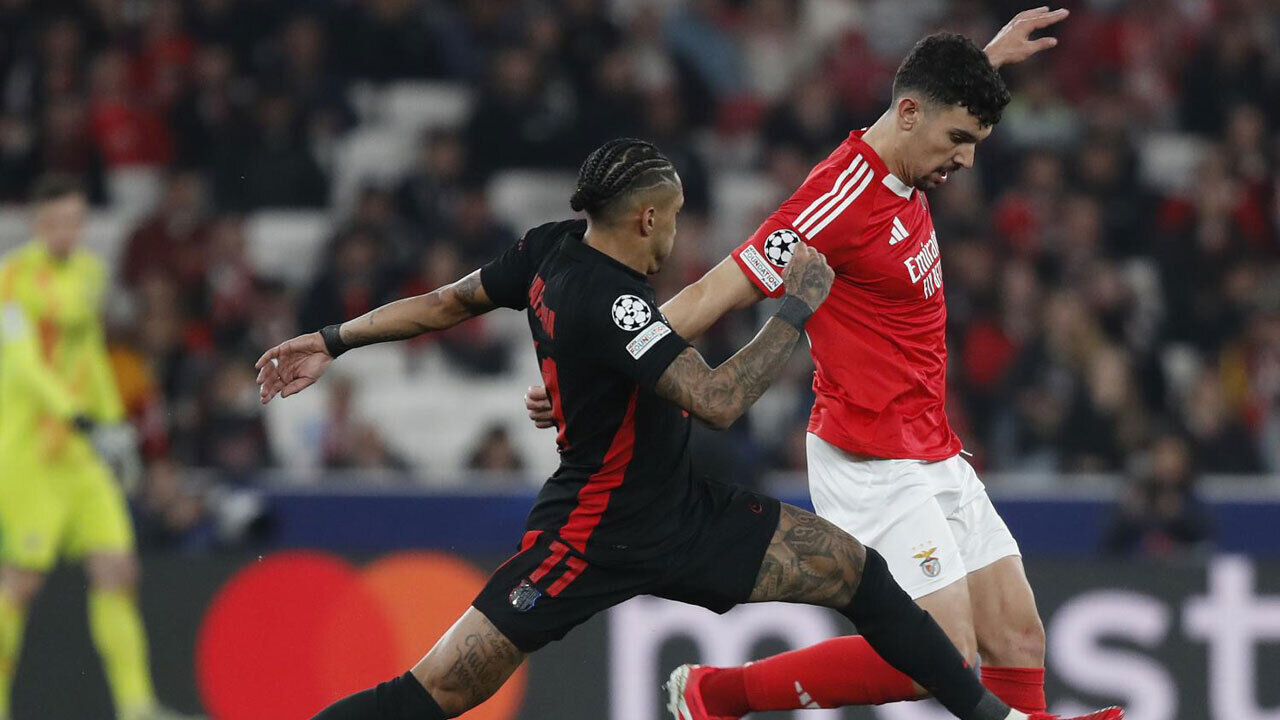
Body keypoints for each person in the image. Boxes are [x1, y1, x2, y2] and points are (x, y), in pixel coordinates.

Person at [256, 139, 1118, 720]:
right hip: (593, 532)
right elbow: (714, 400)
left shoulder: (549, 247)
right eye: (673, 219)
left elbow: (447, 303)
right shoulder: (615, 301)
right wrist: (796, 313)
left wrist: (335, 338)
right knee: (441, 686)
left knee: (860, 573)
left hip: (685, 512)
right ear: (645, 220)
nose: (678, 233)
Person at [523, 10, 1093, 719]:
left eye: (975, 142)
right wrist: (598, 363)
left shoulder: (912, 142)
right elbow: (712, 291)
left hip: (929, 441)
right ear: (910, 116)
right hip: (871, 452)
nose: (967, 160)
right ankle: (715, 695)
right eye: (959, 140)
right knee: (939, 655)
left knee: (1019, 637)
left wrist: (987, 61)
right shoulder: (834, 200)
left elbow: (931, 95)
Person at [0, 176, 200, 720]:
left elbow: (89, 353)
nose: (68, 232)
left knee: (117, 569)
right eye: (56, 222)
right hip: (28, 453)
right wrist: (80, 417)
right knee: (18, 583)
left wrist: (117, 429)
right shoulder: (13, 278)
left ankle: (136, 708)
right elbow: (21, 365)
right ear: (38, 224)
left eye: (75, 221)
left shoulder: (89, 273)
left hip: (83, 454)